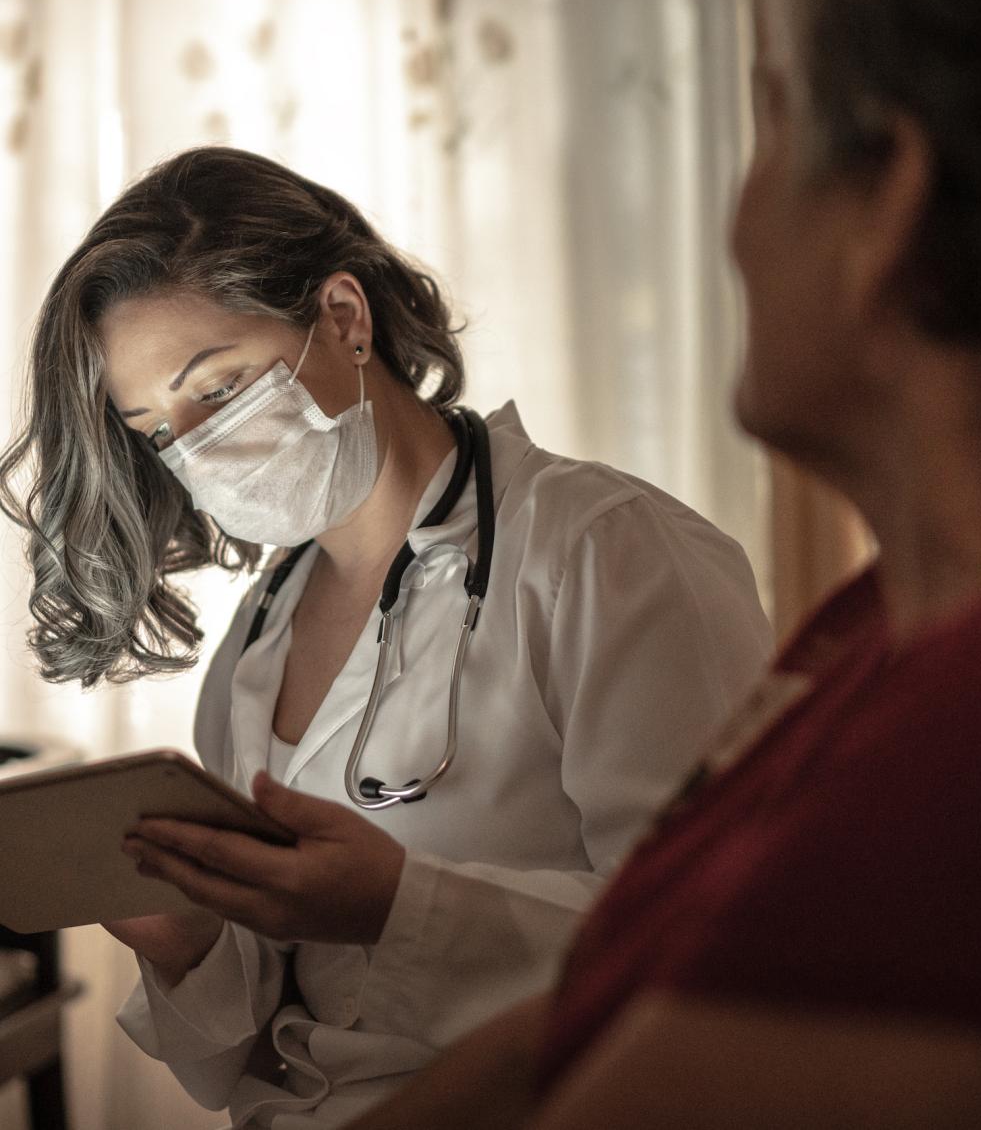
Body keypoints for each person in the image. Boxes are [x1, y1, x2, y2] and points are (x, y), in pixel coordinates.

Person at [331, 0, 981, 1129]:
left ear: (890, 201)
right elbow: (566, 1031)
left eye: (769, 123)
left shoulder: (966, 753)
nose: (736, 224)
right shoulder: (869, 637)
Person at [0, 145, 771, 1127]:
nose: (193, 452)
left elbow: (729, 957)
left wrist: (398, 905)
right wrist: (187, 938)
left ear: (343, 319)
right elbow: (248, 1056)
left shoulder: (607, 553)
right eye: (156, 430)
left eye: (222, 389)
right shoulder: (256, 645)